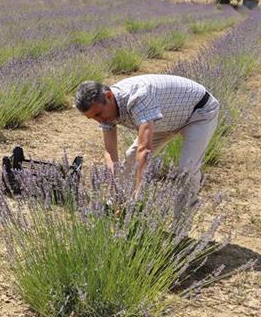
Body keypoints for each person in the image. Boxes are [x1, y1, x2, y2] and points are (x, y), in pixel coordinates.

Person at [74, 75, 219, 215]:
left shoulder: (138, 97)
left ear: (109, 97)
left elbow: (145, 150)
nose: (99, 121)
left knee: (187, 169)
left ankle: (180, 228)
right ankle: (117, 204)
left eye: (98, 114)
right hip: (164, 120)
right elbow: (110, 152)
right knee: (131, 156)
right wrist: (114, 187)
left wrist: (139, 193)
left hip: (199, 113)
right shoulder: (105, 110)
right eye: (92, 118)